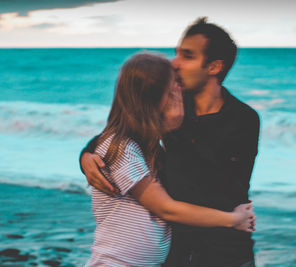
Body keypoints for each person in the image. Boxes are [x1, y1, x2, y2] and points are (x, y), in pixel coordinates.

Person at [81, 18, 260, 267]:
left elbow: (211, 189)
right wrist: (87, 156)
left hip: (224, 250)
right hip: (174, 250)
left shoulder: (242, 118)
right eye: (176, 53)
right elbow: (123, 131)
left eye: (187, 56)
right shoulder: (170, 105)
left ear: (214, 67)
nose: (174, 64)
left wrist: (169, 128)